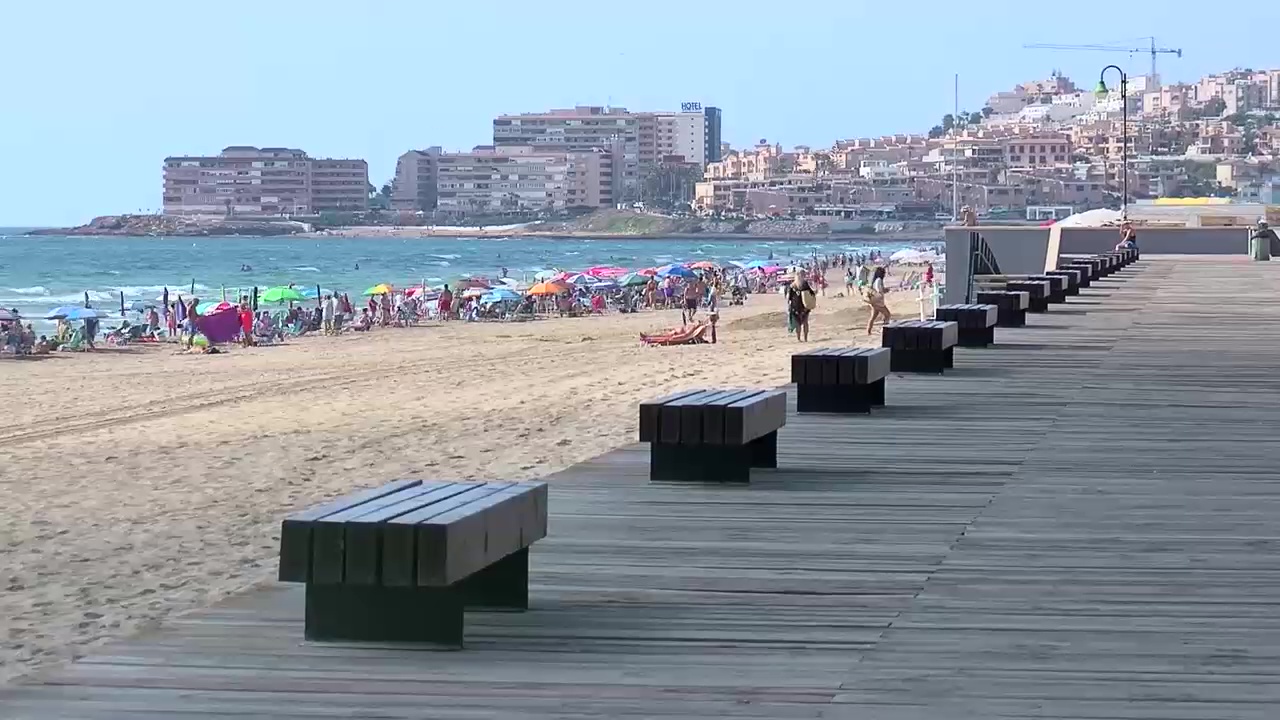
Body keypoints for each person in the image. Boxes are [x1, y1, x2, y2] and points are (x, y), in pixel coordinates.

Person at [786, 270, 815, 343]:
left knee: (798, 324)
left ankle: (799, 339)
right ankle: (805, 338)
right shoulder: (804, 284)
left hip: (795, 306)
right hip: (804, 306)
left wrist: (789, 306)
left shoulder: (792, 285)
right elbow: (811, 293)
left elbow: (789, 298)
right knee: (805, 322)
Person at [864, 266, 892, 335]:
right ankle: (885, 330)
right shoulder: (879, 280)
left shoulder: (875, 280)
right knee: (887, 315)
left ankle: (868, 331)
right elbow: (879, 290)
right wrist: (885, 290)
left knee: (873, 317)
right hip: (878, 302)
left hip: (874, 301)